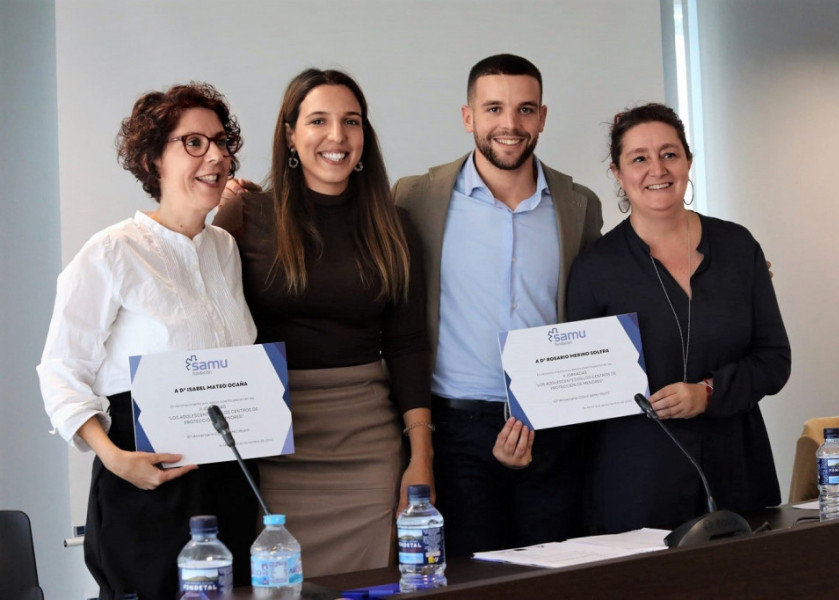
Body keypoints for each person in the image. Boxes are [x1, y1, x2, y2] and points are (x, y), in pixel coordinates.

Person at [36, 83, 258, 598]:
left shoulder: (225, 249)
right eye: (193, 143)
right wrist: (113, 458)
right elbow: (60, 369)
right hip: (146, 483)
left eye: (221, 142)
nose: (216, 156)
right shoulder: (111, 251)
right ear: (151, 159)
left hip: (229, 480)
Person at [214, 69, 433, 577]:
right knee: (281, 583)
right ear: (291, 134)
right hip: (273, 440)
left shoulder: (395, 226)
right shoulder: (245, 215)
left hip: (368, 441)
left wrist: (420, 455)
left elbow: (408, 345)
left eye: (351, 122)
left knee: (370, 583)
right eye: (319, 120)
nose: (337, 136)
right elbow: (208, 322)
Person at [392, 54, 602, 556]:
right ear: (468, 117)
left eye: (525, 110)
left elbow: (608, 293)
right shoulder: (414, 198)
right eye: (493, 109)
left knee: (556, 575)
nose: (510, 124)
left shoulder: (580, 205)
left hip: (553, 427)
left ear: (543, 117)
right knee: (469, 578)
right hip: (454, 430)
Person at [566, 103, 791, 533]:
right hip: (636, 488)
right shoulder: (596, 268)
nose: (657, 169)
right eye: (639, 158)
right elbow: (581, 391)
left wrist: (708, 393)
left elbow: (775, 360)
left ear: (688, 160)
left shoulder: (739, 247)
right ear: (617, 172)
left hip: (738, 473)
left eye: (669, 154)